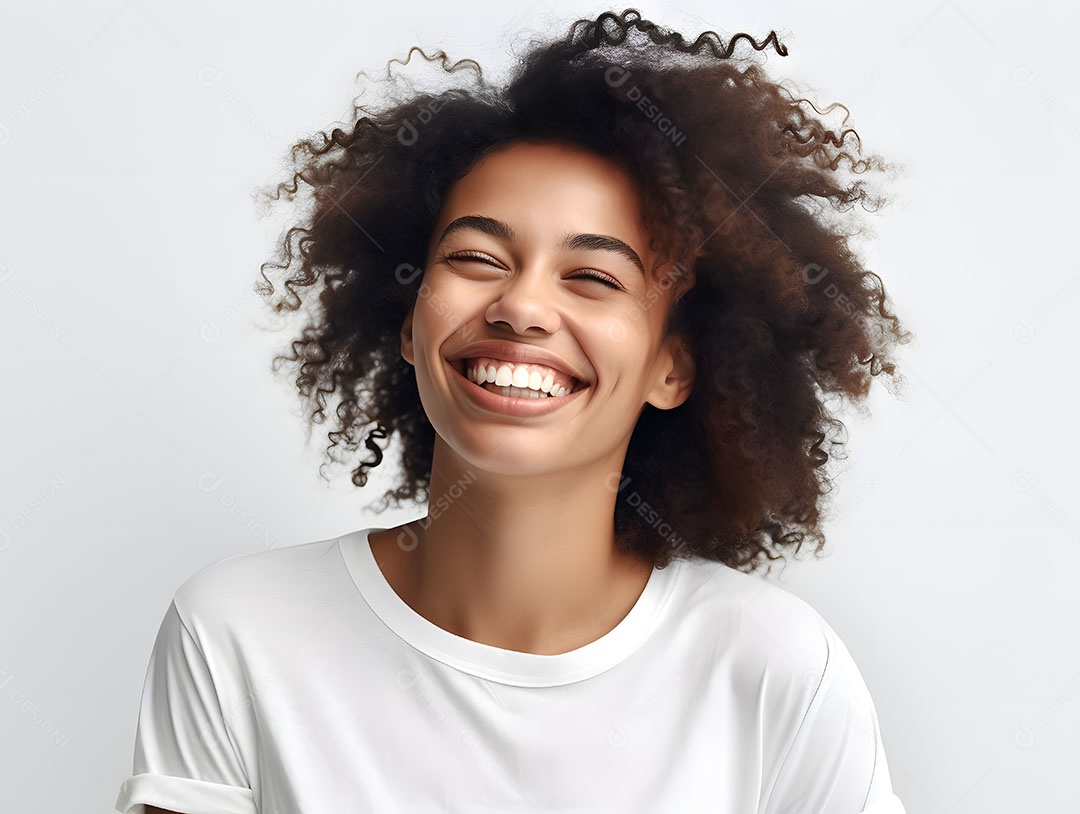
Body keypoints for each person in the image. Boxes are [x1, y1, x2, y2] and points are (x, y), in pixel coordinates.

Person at [116, 8, 911, 813]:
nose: (521, 306)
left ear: (674, 367)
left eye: (593, 278)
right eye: (475, 259)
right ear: (406, 320)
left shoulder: (773, 668)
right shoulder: (240, 634)